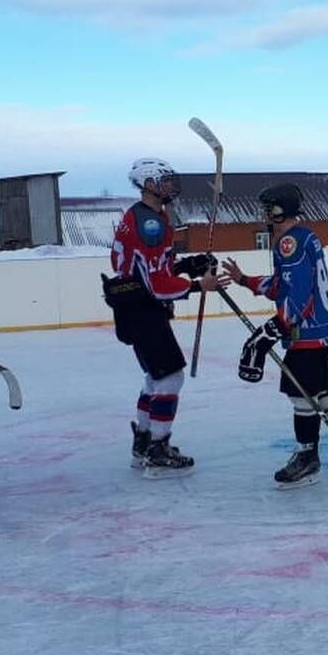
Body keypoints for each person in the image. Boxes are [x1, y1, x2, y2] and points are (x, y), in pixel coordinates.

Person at [220, 183, 328, 488]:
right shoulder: (296, 238)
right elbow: (280, 286)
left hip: (309, 332)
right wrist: (244, 280)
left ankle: (307, 459)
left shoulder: (291, 243)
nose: (263, 214)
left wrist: (272, 331)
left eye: (267, 208)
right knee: (318, 391)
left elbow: (298, 297)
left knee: (300, 392)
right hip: (319, 331)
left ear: (278, 210)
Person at [103, 158, 218, 479]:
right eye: (164, 181)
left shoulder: (147, 216)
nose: (171, 186)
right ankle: (157, 447)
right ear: (148, 184)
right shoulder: (149, 224)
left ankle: (143, 441)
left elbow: (151, 267)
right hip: (142, 309)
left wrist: (186, 265)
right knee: (170, 378)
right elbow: (155, 284)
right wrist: (197, 285)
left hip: (133, 306)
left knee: (156, 377)